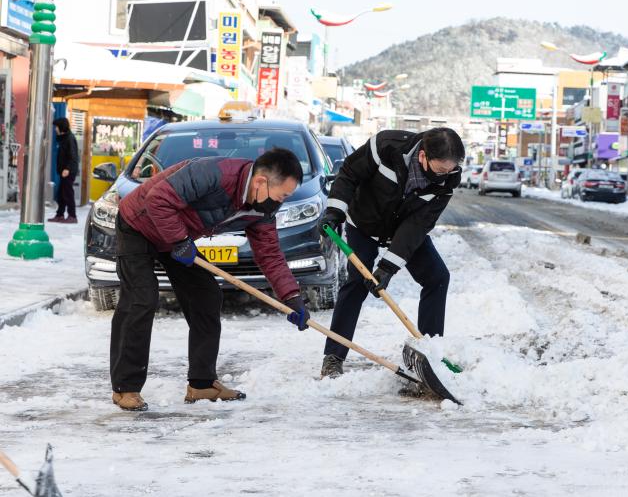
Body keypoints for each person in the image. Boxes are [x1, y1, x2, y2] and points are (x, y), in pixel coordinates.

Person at [109, 148, 310, 411]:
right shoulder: (213, 174)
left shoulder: (261, 209)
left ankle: (201, 384)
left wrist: (291, 298)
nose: (280, 203)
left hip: (174, 235)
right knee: (141, 299)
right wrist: (180, 242)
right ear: (261, 182)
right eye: (282, 195)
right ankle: (126, 388)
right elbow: (158, 199)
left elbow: (270, 254)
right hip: (138, 223)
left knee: (205, 296)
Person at [318, 127, 464, 378]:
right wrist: (334, 211)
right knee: (356, 283)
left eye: (450, 170)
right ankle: (333, 356)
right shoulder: (386, 145)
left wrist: (387, 267)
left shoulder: (449, 179)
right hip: (363, 223)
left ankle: (429, 353)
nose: (445, 175)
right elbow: (349, 174)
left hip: (403, 229)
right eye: (441, 170)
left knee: (437, 277)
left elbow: (417, 226)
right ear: (423, 156)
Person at [49, 117, 78, 224]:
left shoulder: (69, 139)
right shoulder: (64, 138)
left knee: (68, 193)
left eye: (56, 127)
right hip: (64, 171)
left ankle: (72, 215)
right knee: (62, 193)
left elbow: (73, 156)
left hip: (68, 171)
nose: (55, 129)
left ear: (61, 127)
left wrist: (67, 169)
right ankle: (60, 214)